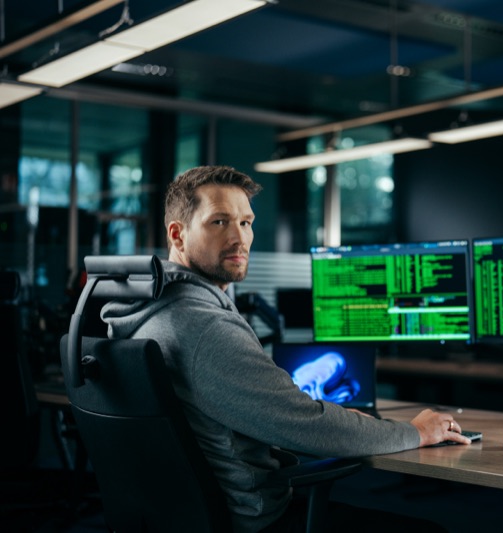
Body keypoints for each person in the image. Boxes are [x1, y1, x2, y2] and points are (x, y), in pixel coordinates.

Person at [100, 165, 471, 532]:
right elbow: (308, 426)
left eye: (246, 222)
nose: (240, 238)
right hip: (252, 520)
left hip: (180, 516)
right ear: (178, 236)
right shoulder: (206, 327)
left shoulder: (147, 312)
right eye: (219, 222)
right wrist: (417, 432)